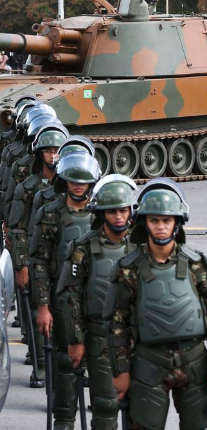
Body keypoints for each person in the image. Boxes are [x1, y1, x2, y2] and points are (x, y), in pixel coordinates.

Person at [104, 178, 207, 430]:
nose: (160, 227)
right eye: (154, 220)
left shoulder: (196, 264)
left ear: (177, 223)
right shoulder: (128, 269)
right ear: (144, 223)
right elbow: (116, 323)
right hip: (149, 362)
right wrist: (121, 371)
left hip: (194, 362)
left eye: (166, 220)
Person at [58, 174, 138, 430]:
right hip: (99, 336)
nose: (118, 216)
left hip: (138, 339)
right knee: (106, 405)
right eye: (112, 211)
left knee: (141, 409)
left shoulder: (142, 247)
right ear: (101, 213)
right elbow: (71, 296)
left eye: (123, 210)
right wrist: (76, 340)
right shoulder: (82, 248)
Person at [30, 152, 101, 430]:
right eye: (73, 180)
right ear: (64, 180)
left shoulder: (102, 214)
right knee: (65, 361)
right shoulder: (50, 213)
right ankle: (64, 418)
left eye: (84, 181)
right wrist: (43, 306)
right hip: (62, 300)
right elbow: (39, 262)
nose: (78, 186)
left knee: (100, 363)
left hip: (96, 300)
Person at [8, 124, 68, 388]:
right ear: (39, 153)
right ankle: (41, 366)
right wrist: (21, 265)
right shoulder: (28, 188)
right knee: (37, 313)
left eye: (57, 150)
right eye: (48, 151)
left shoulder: (73, 189)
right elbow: (18, 229)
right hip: (37, 256)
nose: (53, 156)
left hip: (67, 259)